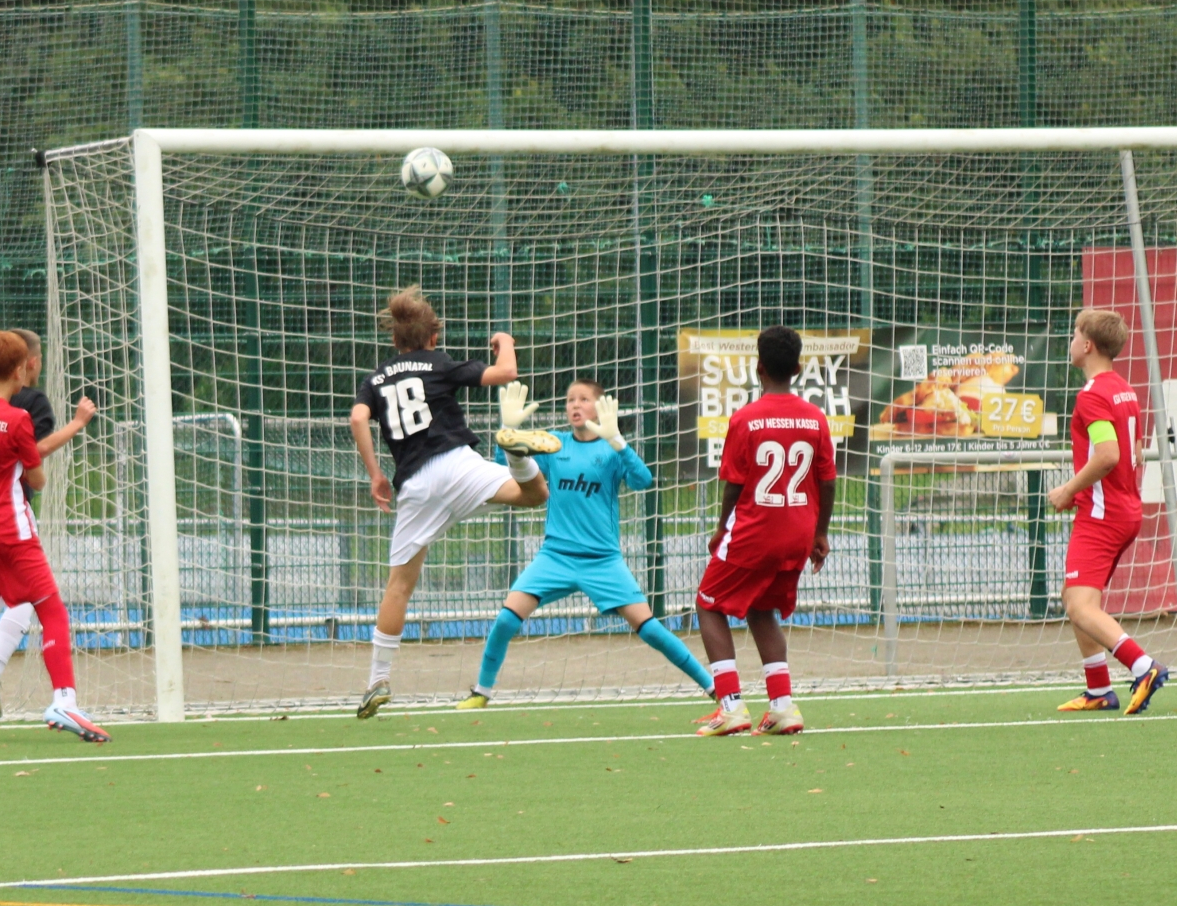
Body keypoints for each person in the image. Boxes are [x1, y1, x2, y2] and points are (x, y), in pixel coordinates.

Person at [349, 287, 552, 719]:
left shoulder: (375, 380)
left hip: (416, 486)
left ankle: (377, 681)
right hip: (458, 467)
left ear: (395, 339)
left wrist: (375, 474)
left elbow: (357, 417)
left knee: (399, 586)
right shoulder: (439, 363)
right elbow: (507, 372)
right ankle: (517, 455)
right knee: (535, 495)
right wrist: (505, 341)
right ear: (433, 337)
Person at [459, 378, 713, 707]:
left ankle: (713, 687)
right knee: (507, 619)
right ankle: (482, 692)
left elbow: (643, 480)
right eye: (570, 400)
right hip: (555, 556)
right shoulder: (554, 445)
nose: (575, 405)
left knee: (649, 629)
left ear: (600, 408)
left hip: (602, 561)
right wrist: (507, 433)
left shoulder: (610, 449)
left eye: (583, 399)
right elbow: (503, 471)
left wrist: (618, 441)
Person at [0, 331, 106, 744]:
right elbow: (38, 481)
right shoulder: (17, 419)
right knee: (51, 609)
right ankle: (64, 700)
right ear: (18, 370)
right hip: (9, 530)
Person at [694, 326, 836, 737]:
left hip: (755, 533)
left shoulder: (746, 418)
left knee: (708, 604)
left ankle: (730, 706)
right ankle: (783, 707)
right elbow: (828, 481)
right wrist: (820, 534)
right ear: (797, 369)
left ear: (759, 368)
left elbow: (734, 485)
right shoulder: (815, 418)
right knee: (761, 608)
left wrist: (722, 528)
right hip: (797, 535)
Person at [1048, 308, 1168, 715]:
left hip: (1103, 516)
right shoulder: (1124, 390)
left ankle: (1144, 666)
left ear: (1087, 345)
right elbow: (1136, 452)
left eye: (1073, 334)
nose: (1070, 342)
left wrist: (1068, 490)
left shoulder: (1092, 395)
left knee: (1080, 606)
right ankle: (1099, 689)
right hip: (1124, 510)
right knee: (1076, 597)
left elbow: (1108, 455)